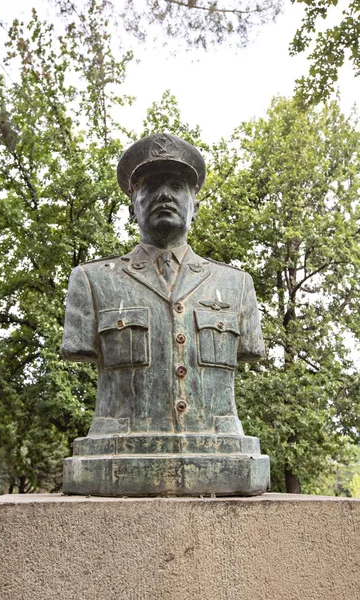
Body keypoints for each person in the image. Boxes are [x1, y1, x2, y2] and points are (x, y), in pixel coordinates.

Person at [61, 133, 269, 496]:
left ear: (195, 207)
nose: (163, 194)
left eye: (176, 185)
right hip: (115, 451)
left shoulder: (236, 285)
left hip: (223, 447)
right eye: (150, 185)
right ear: (132, 208)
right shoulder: (91, 281)